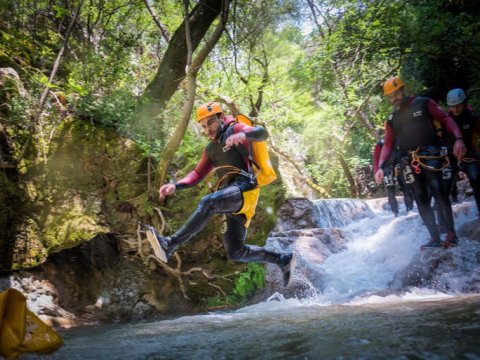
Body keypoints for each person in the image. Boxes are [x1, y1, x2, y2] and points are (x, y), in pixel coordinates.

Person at [144, 101, 295, 286]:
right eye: (203, 126)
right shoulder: (211, 149)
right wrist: (176, 185)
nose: (207, 129)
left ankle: (170, 244)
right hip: (231, 196)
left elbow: (262, 134)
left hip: (245, 187)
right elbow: (197, 174)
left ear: (221, 118)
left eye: (210, 123)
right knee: (235, 251)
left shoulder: (234, 129)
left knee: (209, 202)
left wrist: (243, 133)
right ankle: (282, 259)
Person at [374, 77, 466, 249]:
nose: (394, 98)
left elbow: (445, 119)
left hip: (430, 154)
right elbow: (387, 144)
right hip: (409, 160)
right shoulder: (392, 119)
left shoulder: (423, 103)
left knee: (439, 193)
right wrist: (380, 167)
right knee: (421, 199)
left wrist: (458, 138)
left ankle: (451, 235)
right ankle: (435, 239)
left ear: (403, 89)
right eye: (390, 96)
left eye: (396, 93)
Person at [446, 88, 480, 218]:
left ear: (464, 103)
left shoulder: (472, 116)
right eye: (452, 106)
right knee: (446, 184)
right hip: (451, 154)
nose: (455, 109)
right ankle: (444, 220)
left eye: (458, 105)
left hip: (469, 153)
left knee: (476, 180)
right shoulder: (447, 118)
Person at [372, 137, 414, 216]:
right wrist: (376, 171)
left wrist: (407, 162)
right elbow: (376, 157)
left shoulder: (401, 139)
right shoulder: (381, 142)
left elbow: (408, 153)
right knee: (391, 190)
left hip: (401, 167)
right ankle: (395, 212)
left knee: (406, 187)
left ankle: (409, 209)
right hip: (387, 169)